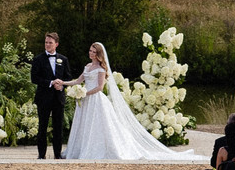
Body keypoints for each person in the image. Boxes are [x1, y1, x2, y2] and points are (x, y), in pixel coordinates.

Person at [58, 42, 201, 161]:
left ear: (99, 54)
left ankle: (96, 150)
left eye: (94, 52)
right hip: (85, 101)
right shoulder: (87, 67)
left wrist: (84, 93)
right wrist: (64, 83)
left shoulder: (101, 69)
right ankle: (82, 149)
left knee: (98, 127)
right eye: (90, 51)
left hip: (95, 100)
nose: (91, 53)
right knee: (85, 126)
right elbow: (78, 80)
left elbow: (100, 87)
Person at [31, 32, 70, 159]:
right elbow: (34, 78)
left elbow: (68, 77)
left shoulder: (63, 59)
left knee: (58, 128)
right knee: (42, 127)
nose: (47, 45)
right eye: (46, 42)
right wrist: (50, 83)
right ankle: (41, 155)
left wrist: (62, 84)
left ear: (56, 44)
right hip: (43, 98)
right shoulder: (38, 59)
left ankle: (57, 155)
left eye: (50, 43)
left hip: (58, 98)